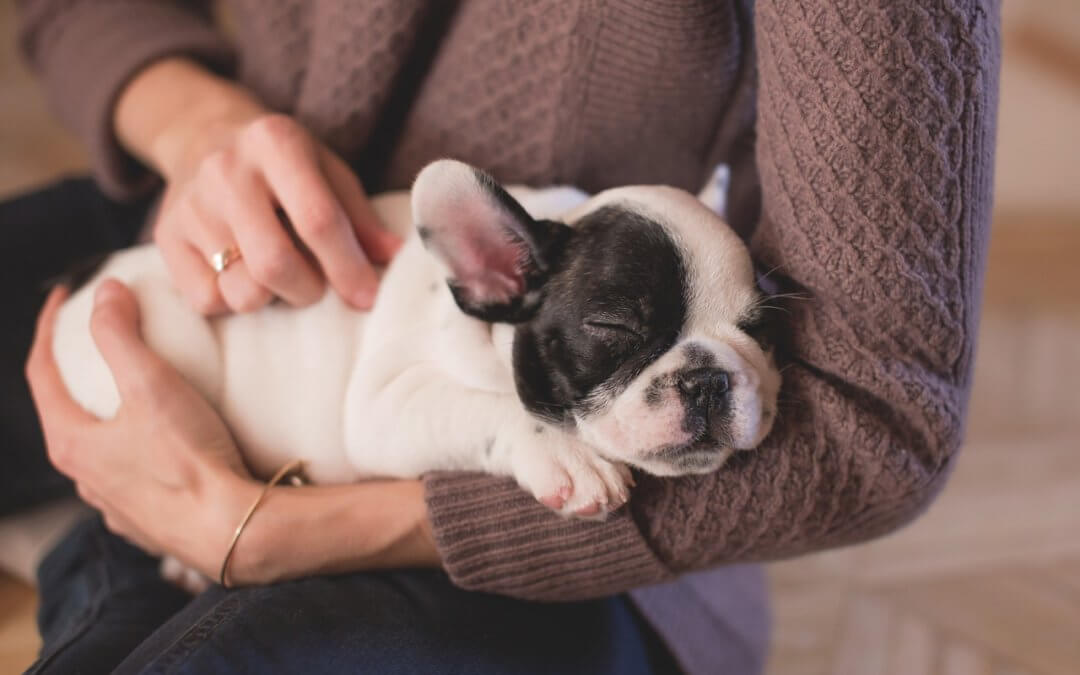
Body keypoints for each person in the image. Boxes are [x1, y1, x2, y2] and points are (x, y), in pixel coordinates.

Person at [5, 1, 1000, 672]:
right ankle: (110, 554)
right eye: (626, 338)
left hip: (530, 536)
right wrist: (196, 125)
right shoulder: (512, 267)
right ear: (491, 275)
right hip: (212, 247)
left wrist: (270, 534)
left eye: (748, 334)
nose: (703, 378)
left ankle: (104, 563)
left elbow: (879, 419)